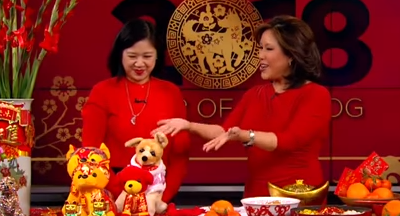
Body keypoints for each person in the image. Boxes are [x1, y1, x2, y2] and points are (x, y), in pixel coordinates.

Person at [153, 15, 332, 198]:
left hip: (299, 193)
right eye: (260, 48)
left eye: (268, 49)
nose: (260, 55)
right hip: (257, 195)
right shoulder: (255, 94)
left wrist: (247, 135)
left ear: (292, 56)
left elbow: (288, 141)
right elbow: (225, 131)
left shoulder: (316, 94)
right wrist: (188, 125)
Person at [81, 19, 190, 203]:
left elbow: (181, 151)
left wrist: (163, 196)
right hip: (112, 190)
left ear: (157, 56)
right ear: (120, 55)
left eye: (147, 56)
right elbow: (91, 151)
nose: (140, 64)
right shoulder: (102, 91)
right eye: (132, 56)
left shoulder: (171, 92)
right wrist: (122, 194)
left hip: (159, 189)